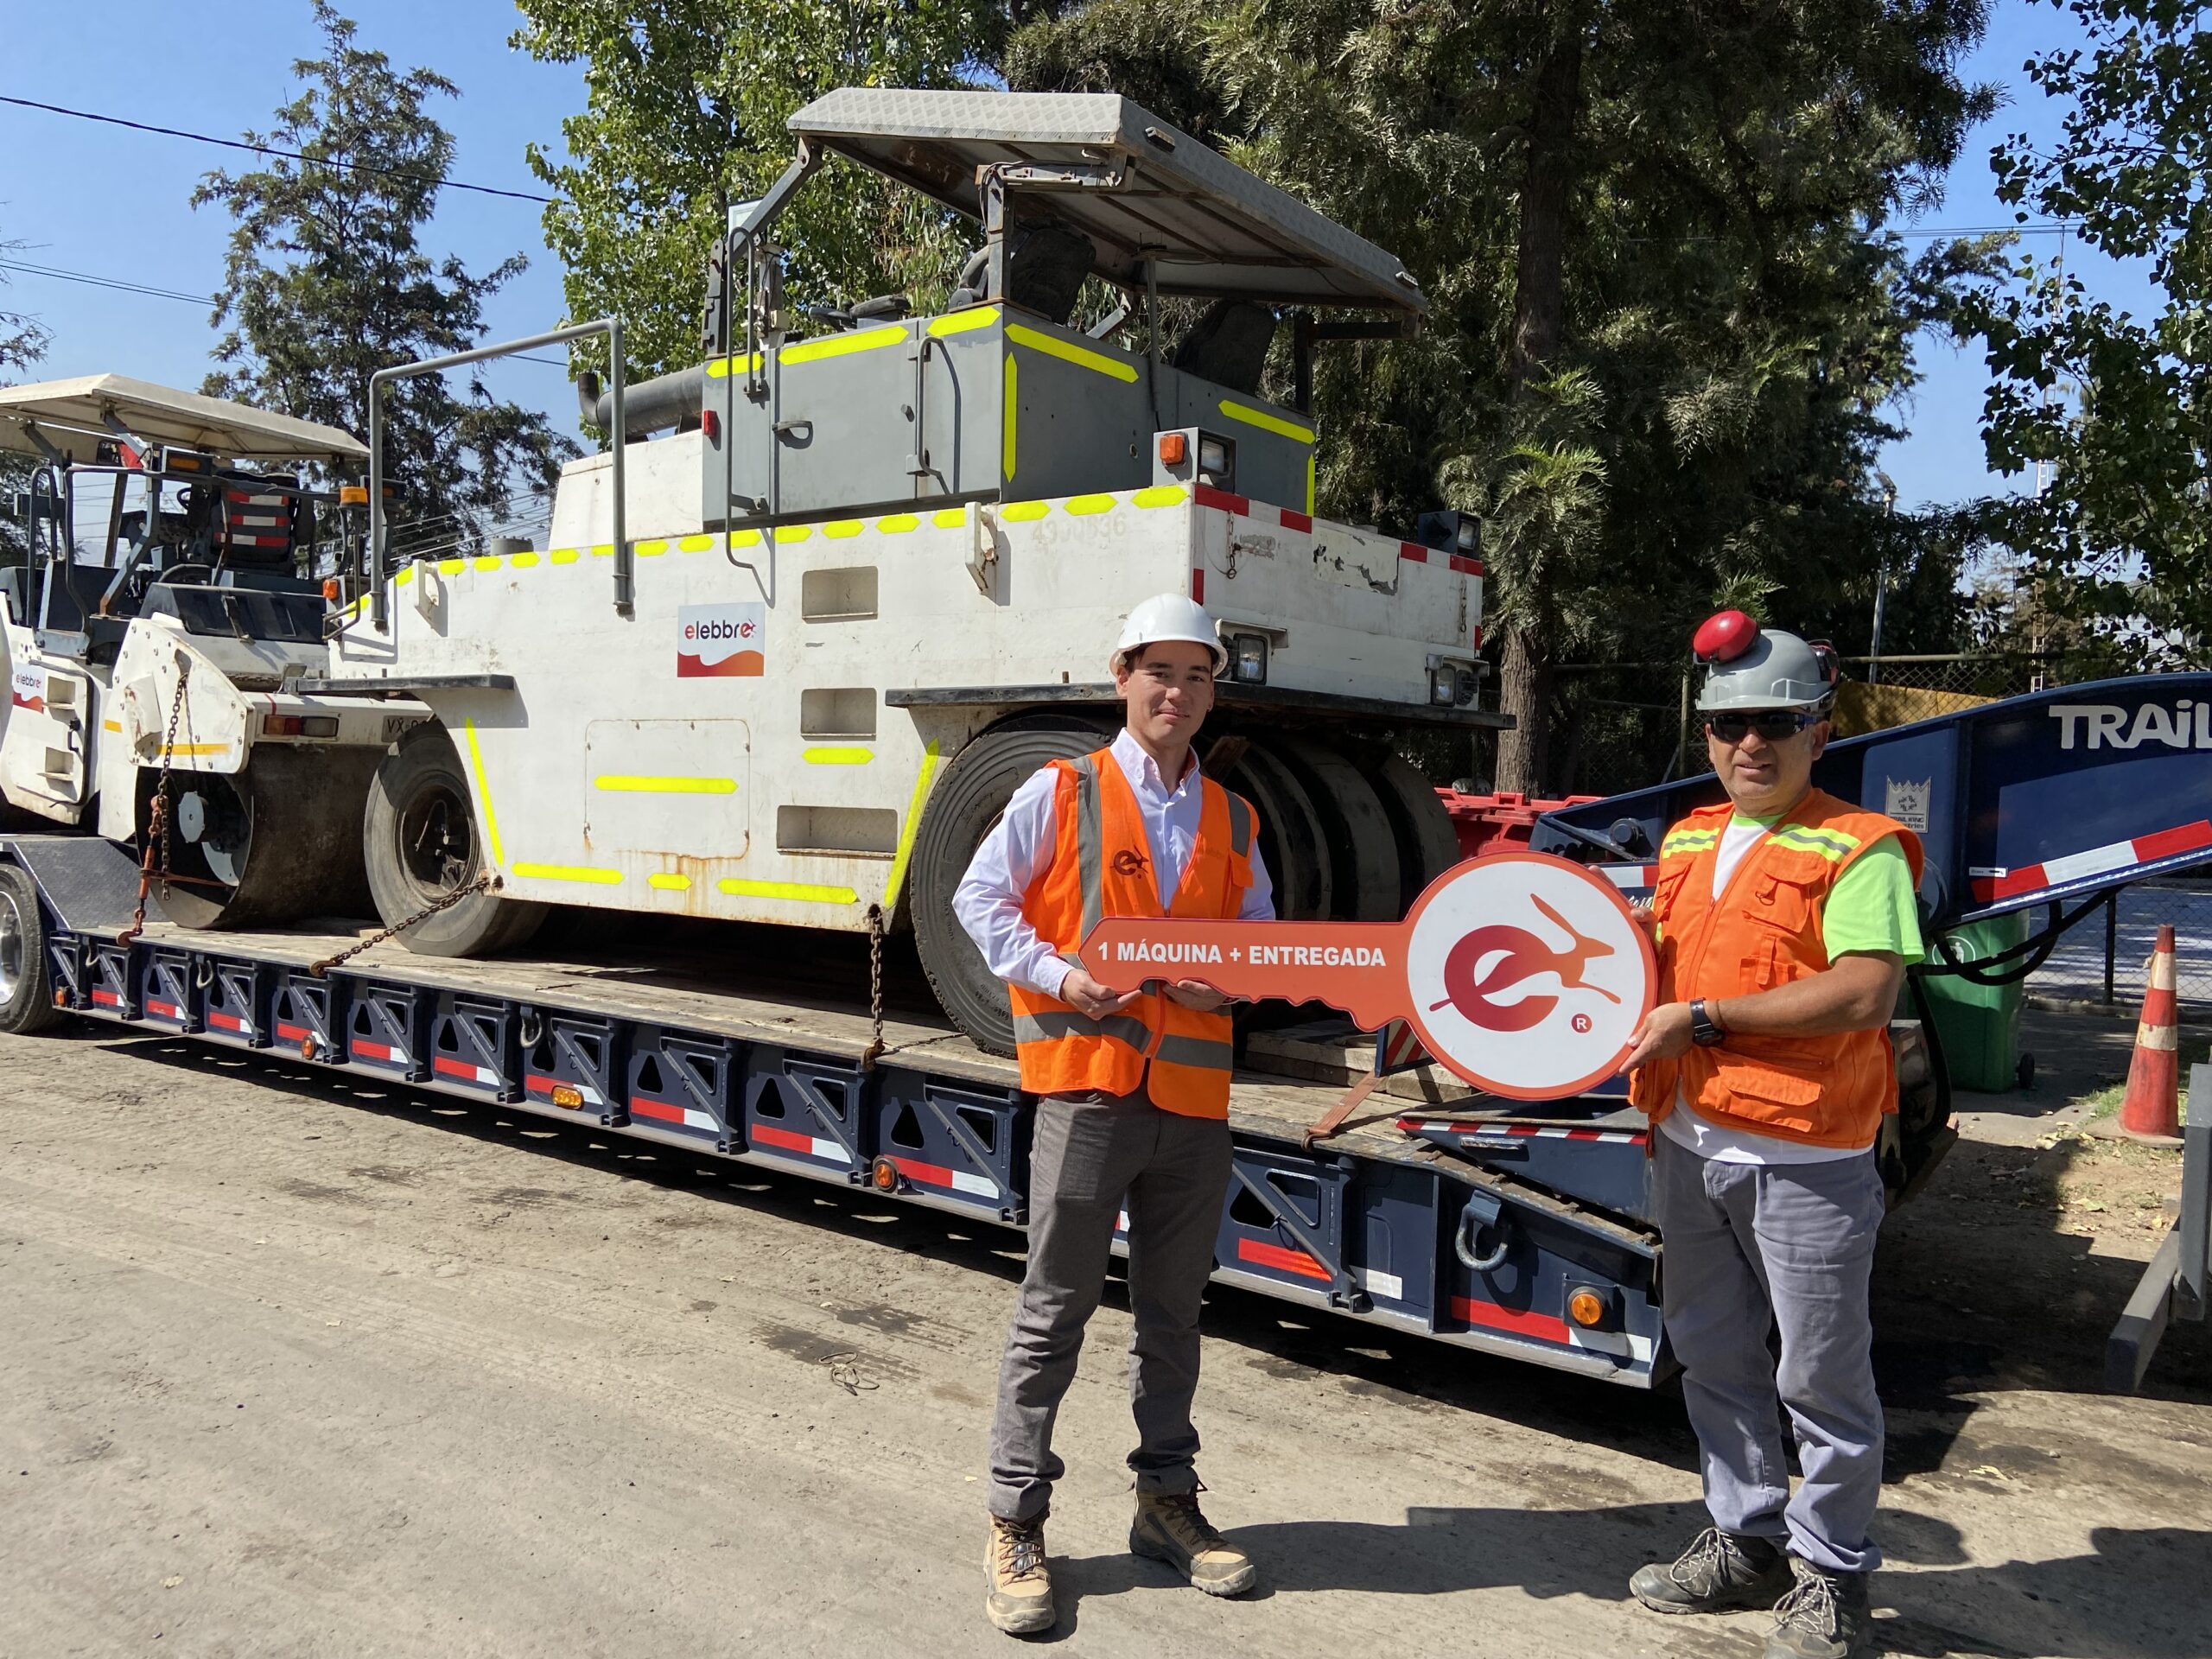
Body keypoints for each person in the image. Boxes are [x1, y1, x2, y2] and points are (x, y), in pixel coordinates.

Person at [952, 593, 1273, 1636]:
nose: (1175, 692)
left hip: (1192, 1104)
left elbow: (1259, 934)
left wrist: (1237, 981)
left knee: (1173, 1315)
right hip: (1087, 1091)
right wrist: (1060, 975)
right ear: (1121, 676)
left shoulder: (1232, 815)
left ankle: (1165, 1502)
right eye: (1158, 672)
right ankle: (1015, 1517)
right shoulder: (1065, 791)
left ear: (1212, 690)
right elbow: (979, 898)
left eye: (1195, 675)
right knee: (1054, 1314)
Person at [1619, 618, 1923, 1659]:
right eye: (1730, 725)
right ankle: (1745, 1537)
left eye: (1777, 724)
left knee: (1821, 1376)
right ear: (1705, 735)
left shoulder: (1860, 846)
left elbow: (1864, 993)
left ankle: (1833, 1573)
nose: (1751, 745)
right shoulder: (1690, 838)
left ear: (1819, 731)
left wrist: (1703, 1021)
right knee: (1711, 1353)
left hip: (1808, 1157)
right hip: (1691, 1141)